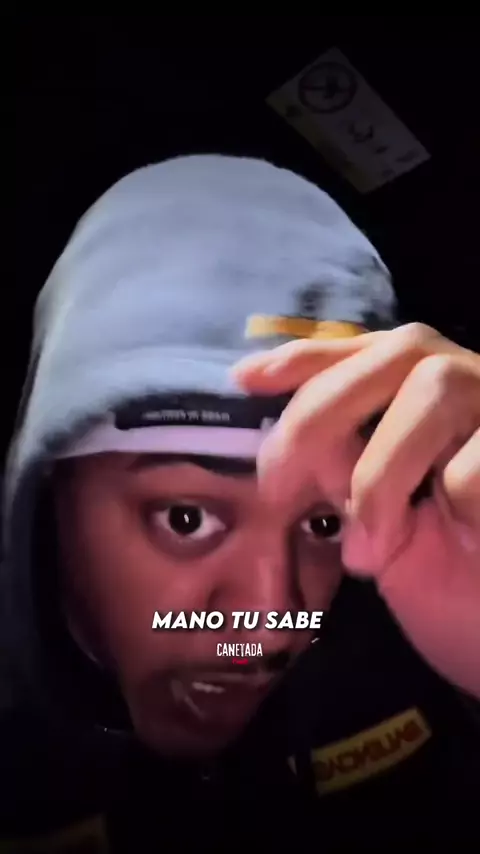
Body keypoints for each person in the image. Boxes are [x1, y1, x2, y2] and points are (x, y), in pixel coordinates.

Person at [1, 154, 479, 852]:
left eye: (324, 523)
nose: (273, 622)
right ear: (47, 489)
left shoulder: (419, 630)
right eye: (186, 519)